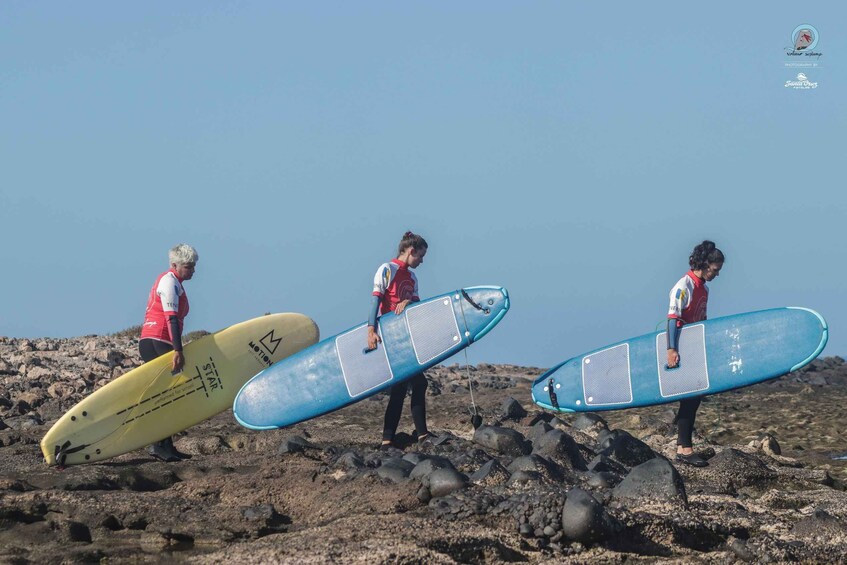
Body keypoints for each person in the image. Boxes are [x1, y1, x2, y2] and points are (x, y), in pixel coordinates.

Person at [367, 231, 432, 449]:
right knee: (413, 384)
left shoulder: (412, 278)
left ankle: (390, 440)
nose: (422, 261)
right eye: (420, 256)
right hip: (391, 338)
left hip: (408, 337)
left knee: (404, 386)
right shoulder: (387, 270)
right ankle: (418, 435)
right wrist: (371, 331)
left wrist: (407, 302)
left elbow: (417, 308)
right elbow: (375, 302)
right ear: (411, 251)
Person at [667, 240, 724, 467]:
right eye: (715, 270)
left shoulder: (704, 288)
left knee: (693, 400)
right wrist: (671, 350)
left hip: (695, 349)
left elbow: (702, 321)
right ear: (705, 264)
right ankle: (685, 450)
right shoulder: (684, 286)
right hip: (681, 349)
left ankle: (684, 448)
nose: (717, 275)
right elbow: (673, 318)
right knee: (689, 399)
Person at [139, 243, 198, 462]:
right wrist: (177, 350)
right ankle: (158, 446)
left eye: (193, 266)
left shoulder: (175, 282)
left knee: (169, 394)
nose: (192, 270)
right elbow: (171, 318)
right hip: (158, 342)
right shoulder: (169, 282)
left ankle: (166, 445)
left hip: (156, 341)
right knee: (167, 396)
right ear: (174, 265)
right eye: (188, 266)